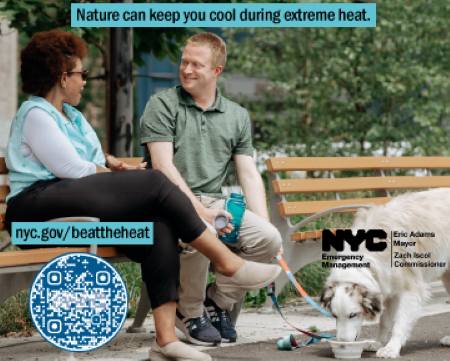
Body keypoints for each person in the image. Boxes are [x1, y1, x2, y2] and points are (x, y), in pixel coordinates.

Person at [5, 30, 282, 361]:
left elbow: (89, 161)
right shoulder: (35, 113)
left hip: (76, 216)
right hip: (34, 217)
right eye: (81, 74)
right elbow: (73, 169)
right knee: (153, 180)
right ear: (63, 77)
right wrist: (122, 179)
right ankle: (228, 262)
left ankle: (165, 341)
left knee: (157, 226)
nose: (85, 81)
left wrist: (111, 165)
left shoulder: (74, 118)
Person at [140, 32, 283, 345]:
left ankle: (215, 301)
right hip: (165, 202)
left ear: (217, 71)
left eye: (196, 64)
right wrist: (201, 210)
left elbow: (247, 172)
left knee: (268, 239)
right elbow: (163, 167)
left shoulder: (236, 115)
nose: (186, 69)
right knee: (200, 227)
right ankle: (188, 311)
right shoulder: (162, 105)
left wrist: (264, 220)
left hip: (215, 203)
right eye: (184, 61)